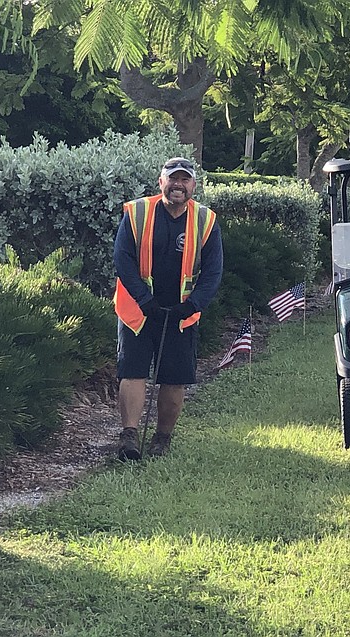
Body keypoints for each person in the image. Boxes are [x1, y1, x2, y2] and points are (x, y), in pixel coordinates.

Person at [113, 157, 223, 460]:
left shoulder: (206, 220)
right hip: (138, 311)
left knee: (174, 379)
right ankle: (129, 437)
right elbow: (122, 259)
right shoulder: (137, 213)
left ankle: (162, 439)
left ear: (193, 186)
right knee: (133, 372)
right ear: (161, 182)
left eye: (184, 180)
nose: (178, 185)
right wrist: (143, 299)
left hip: (180, 315)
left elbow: (214, 271)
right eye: (172, 179)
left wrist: (192, 306)